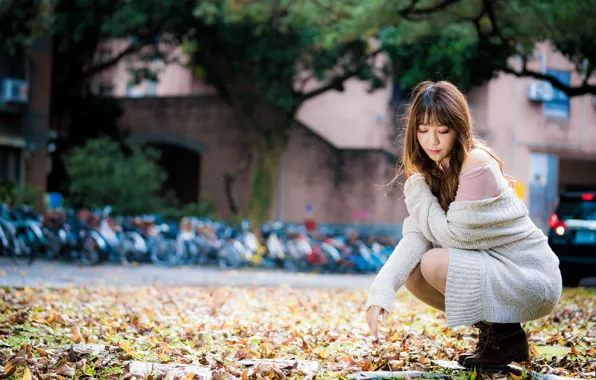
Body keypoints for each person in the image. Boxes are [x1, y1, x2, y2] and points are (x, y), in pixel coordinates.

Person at [364, 81, 562, 370]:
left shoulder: (476, 163)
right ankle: (501, 336)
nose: (432, 141)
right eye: (423, 130)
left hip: (531, 277)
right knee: (414, 274)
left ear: (459, 128)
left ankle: (504, 335)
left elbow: (455, 238)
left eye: (442, 130)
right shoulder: (435, 170)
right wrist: (380, 292)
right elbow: (417, 236)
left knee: (432, 261)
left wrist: (418, 191)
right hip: (499, 270)